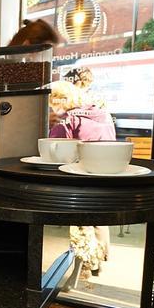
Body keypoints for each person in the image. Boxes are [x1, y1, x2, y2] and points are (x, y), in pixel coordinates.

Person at [48, 79, 117, 282]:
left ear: (59, 100)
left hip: (79, 175)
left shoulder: (67, 120)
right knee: (98, 218)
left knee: (80, 222)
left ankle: (85, 263)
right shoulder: (102, 115)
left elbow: (55, 149)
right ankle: (100, 260)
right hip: (105, 173)